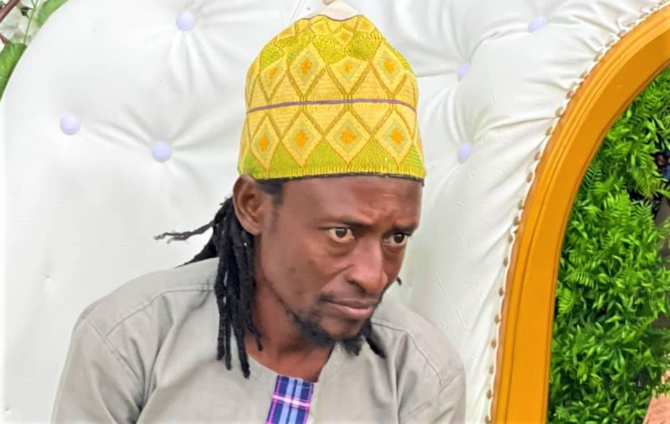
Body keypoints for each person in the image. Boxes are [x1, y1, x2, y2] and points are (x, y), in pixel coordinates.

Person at [52, 0, 466, 422]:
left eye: (396, 237)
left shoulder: (420, 376)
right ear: (253, 206)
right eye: (341, 233)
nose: (373, 276)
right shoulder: (132, 338)